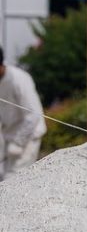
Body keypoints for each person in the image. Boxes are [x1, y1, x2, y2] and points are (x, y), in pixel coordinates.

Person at [0, 45, 47, 179]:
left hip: (28, 137)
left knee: (13, 179)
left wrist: (18, 142)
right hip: (9, 137)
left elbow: (34, 114)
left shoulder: (18, 79)